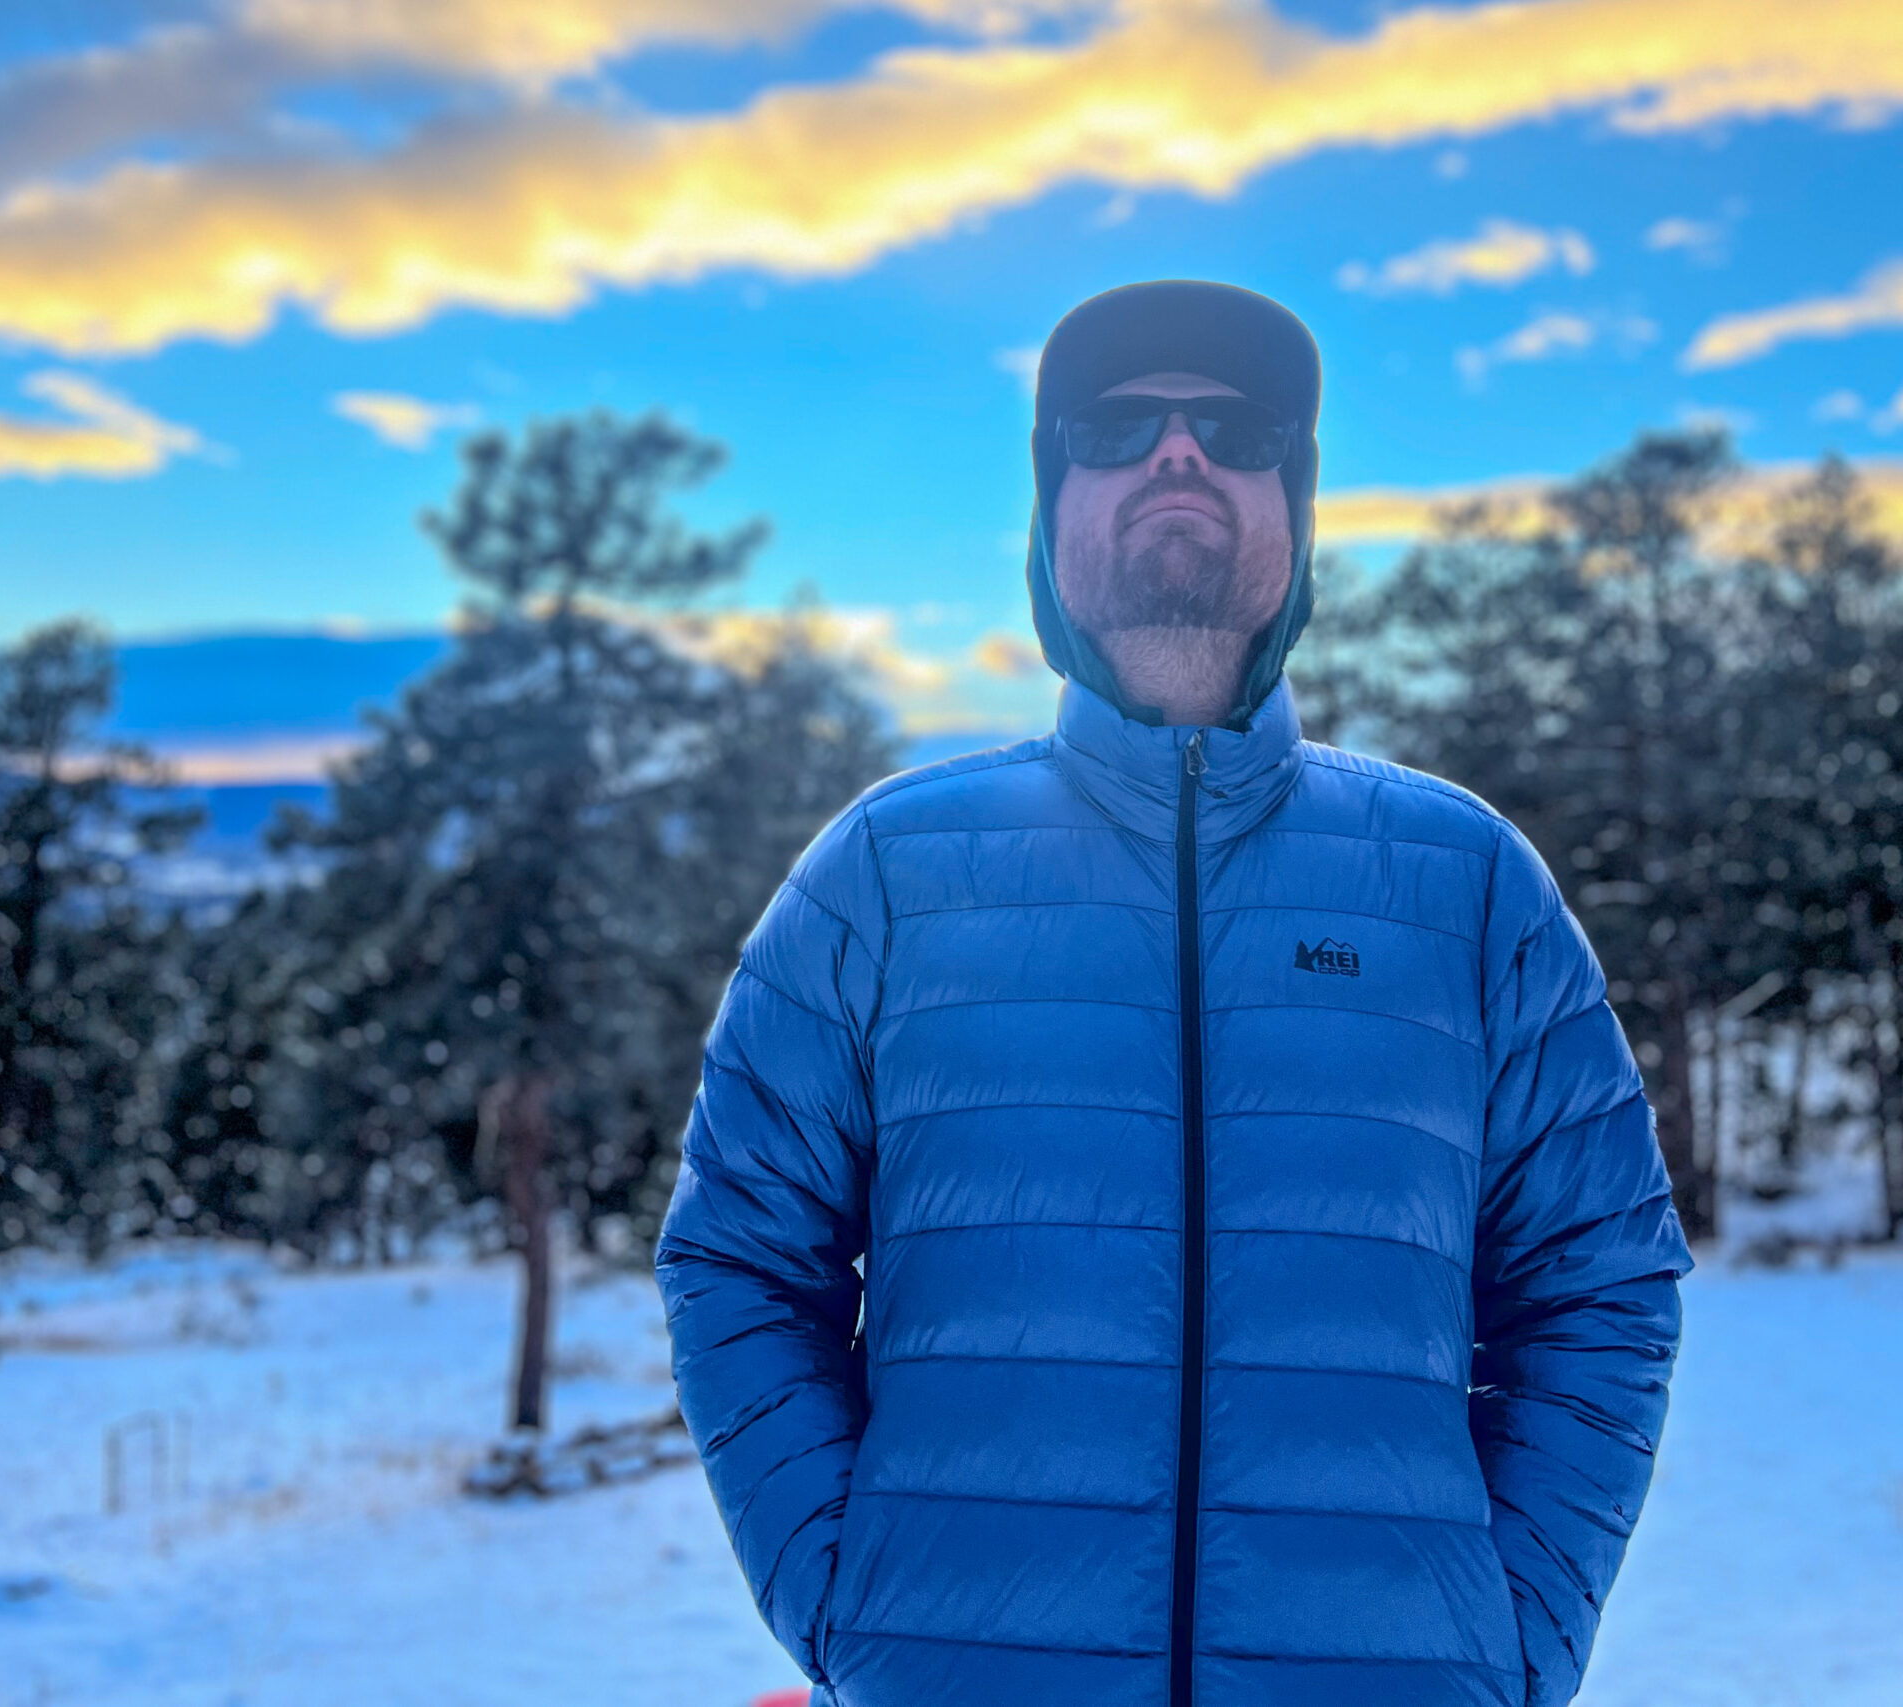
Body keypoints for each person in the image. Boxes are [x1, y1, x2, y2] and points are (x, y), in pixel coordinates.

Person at [656, 280, 1692, 1707]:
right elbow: (739, 1260)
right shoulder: (884, 876)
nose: (1180, 453)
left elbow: (1601, 1279)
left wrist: (1511, 1639)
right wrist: (848, 1604)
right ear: (1050, 507)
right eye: (1118, 424)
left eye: (1238, 425)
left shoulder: (1466, 888)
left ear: (1298, 502)